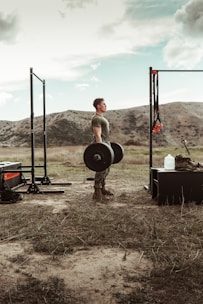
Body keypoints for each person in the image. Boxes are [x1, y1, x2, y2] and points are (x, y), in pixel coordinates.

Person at [91, 98, 113, 201]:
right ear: (98, 106)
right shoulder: (96, 119)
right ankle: (97, 192)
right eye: (104, 104)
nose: (106, 105)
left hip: (106, 145)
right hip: (101, 146)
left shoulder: (102, 118)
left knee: (107, 169)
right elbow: (97, 135)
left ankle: (103, 188)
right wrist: (100, 149)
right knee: (101, 169)